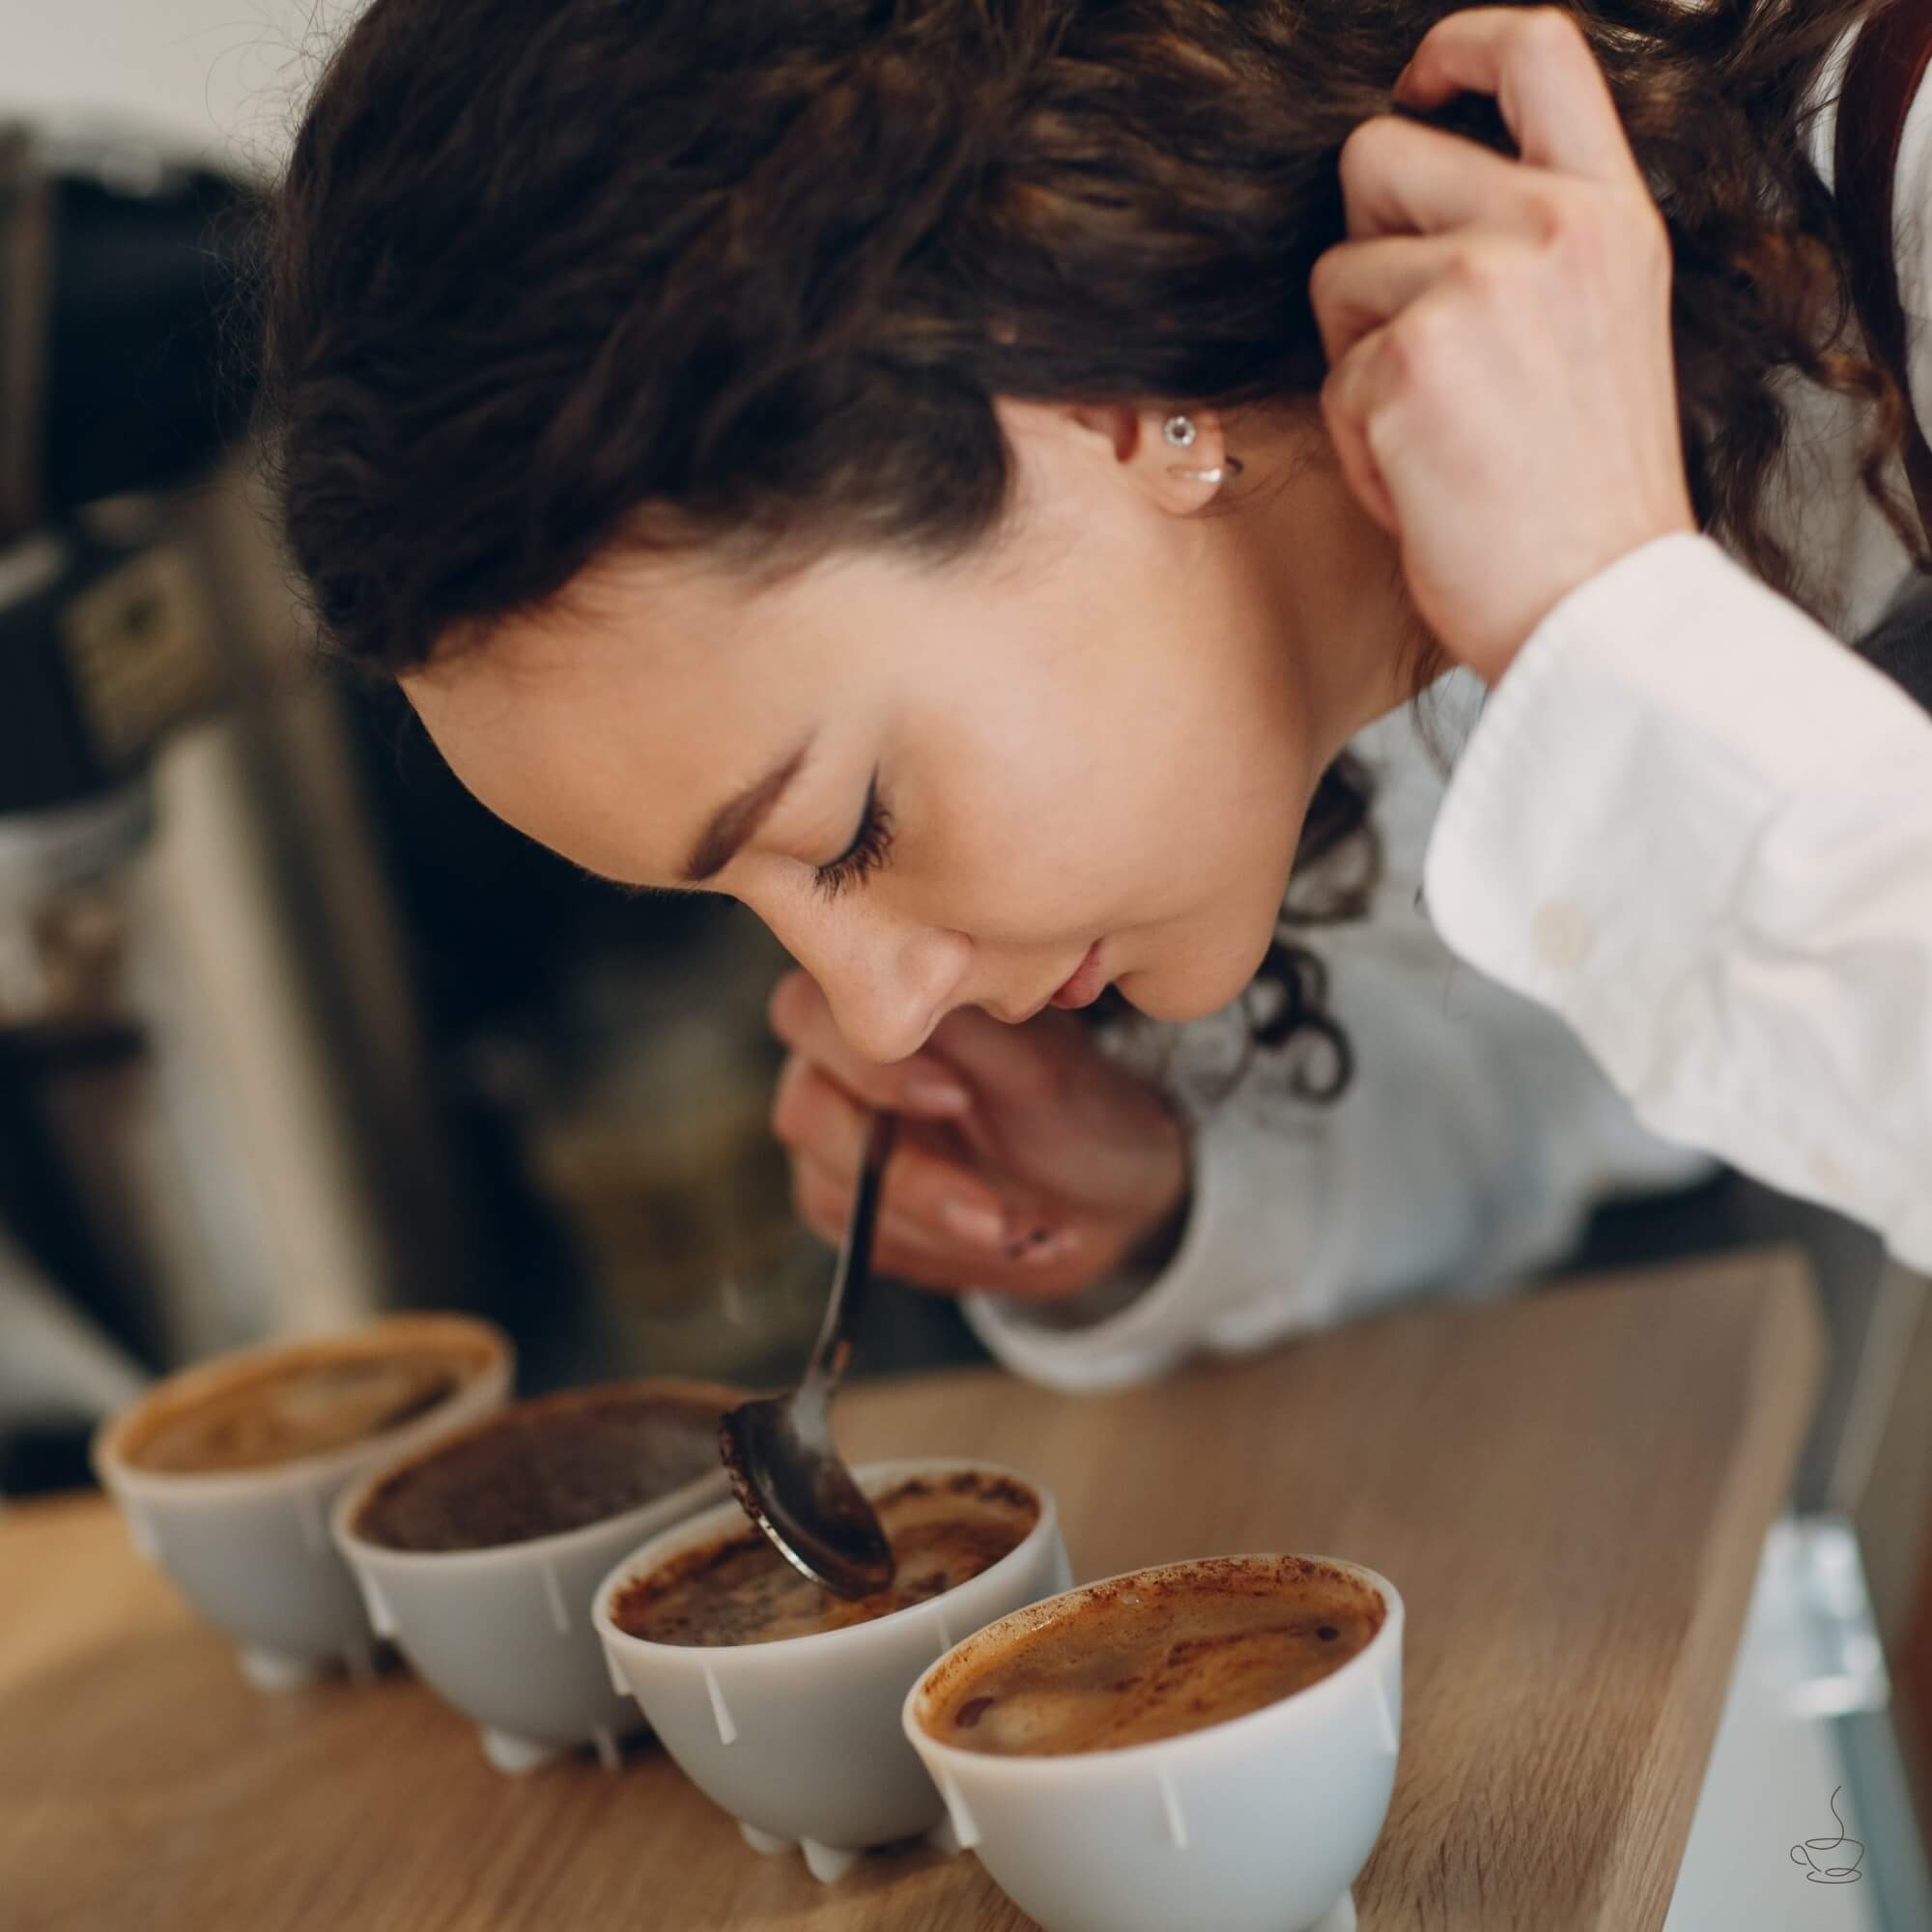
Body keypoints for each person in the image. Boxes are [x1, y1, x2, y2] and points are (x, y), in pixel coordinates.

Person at [261, 1, 1931, 1389]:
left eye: (846, 829)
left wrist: (1607, 633)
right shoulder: (1369, 554)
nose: (882, 1014)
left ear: (1102, 394)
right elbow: (1580, 1060)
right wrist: (1168, 1196)